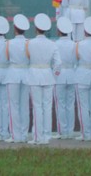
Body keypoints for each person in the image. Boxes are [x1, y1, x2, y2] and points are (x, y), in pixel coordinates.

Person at [26, 13, 61, 145]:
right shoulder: (52, 44)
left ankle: (37, 136)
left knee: (37, 107)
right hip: (48, 75)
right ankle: (46, 135)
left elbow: (26, 59)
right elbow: (58, 63)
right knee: (47, 107)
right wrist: (53, 75)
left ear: (36, 28)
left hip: (34, 75)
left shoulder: (30, 43)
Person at [3, 13, 30, 143]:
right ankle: (24, 134)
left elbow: (7, 58)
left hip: (13, 74)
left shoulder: (9, 43)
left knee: (13, 105)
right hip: (25, 74)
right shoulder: (29, 43)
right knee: (24, 105)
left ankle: (15, 135)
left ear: (15, 29)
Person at [74, 16, 91, 141]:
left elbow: (75, 60)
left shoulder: (79, 44)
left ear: (84, 31)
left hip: (82, 76)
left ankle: (85, 133)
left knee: (83, 107)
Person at [54, 15, 77, 139]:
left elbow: (55, 62)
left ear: (59, 31)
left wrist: (55, 75)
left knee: (61, 104)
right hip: (72, 74)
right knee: (70, 104)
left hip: (60, 75)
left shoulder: (55, 44)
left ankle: (62, 131)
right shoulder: (74, 44)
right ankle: (70, 130)